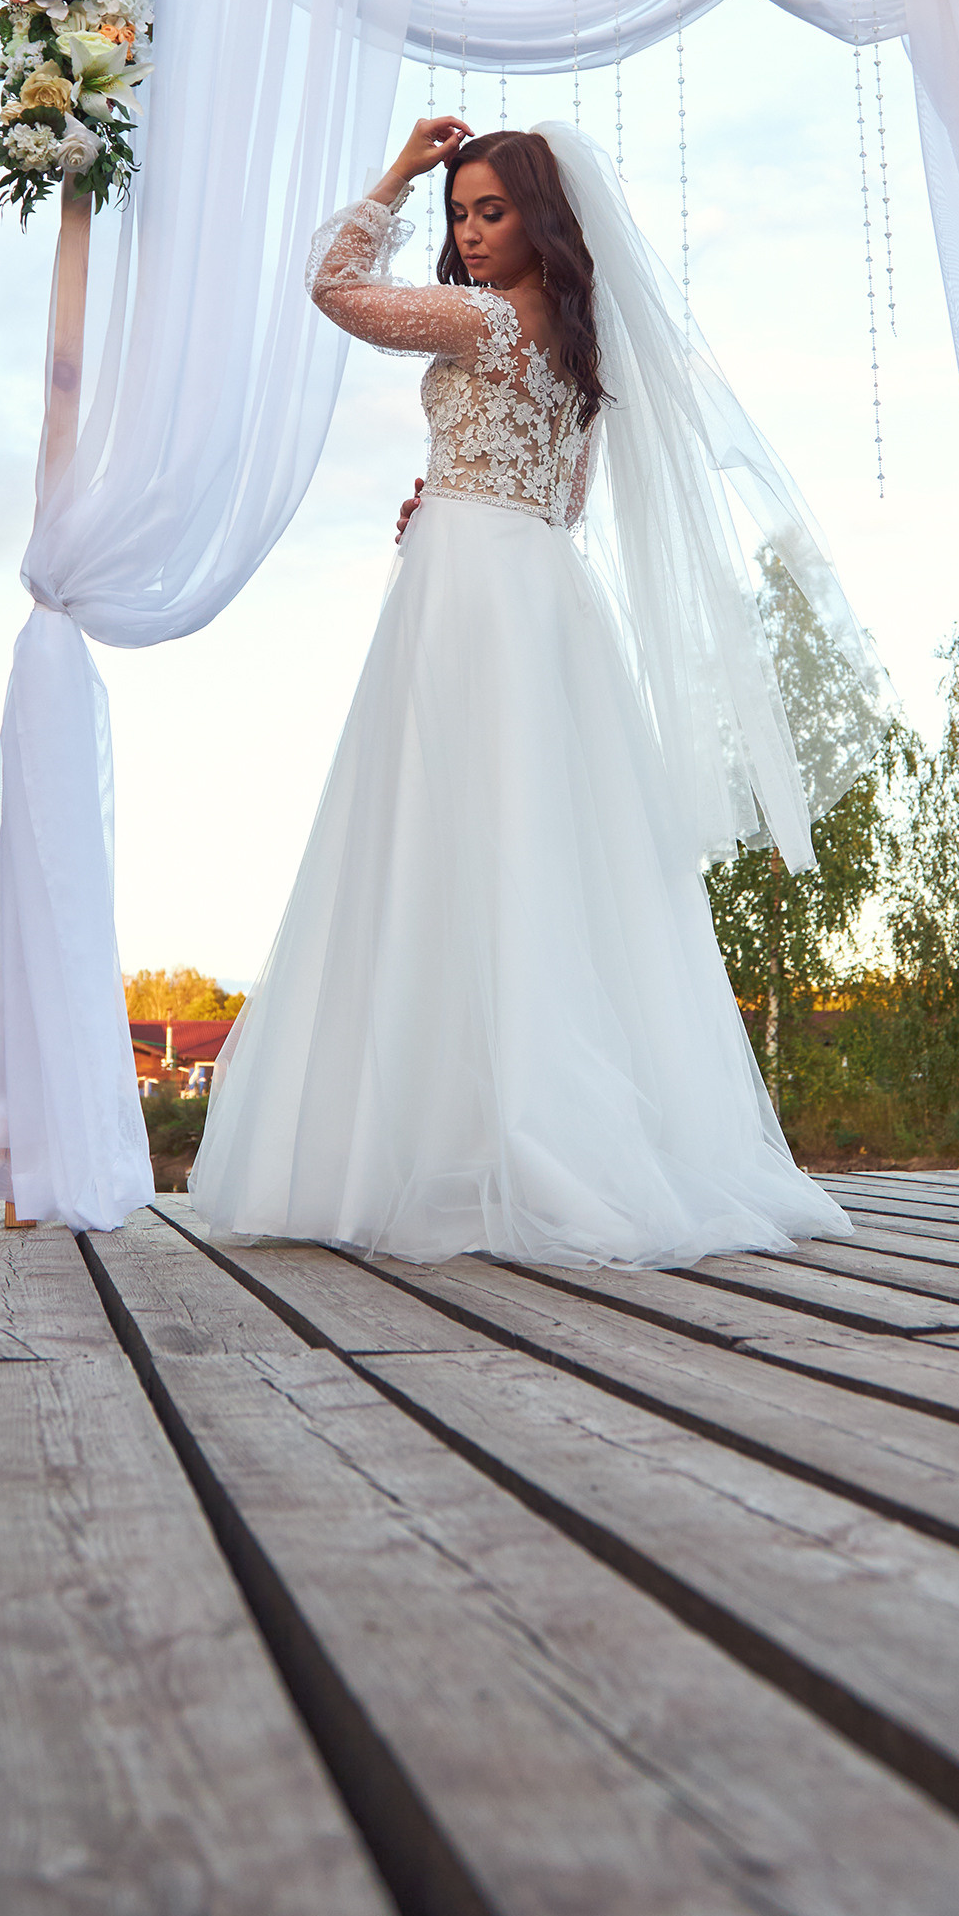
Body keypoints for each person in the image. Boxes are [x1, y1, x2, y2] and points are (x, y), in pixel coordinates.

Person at [189, 113, 880, 1267]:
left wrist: (397, 175)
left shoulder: (478, 320)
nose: (465, 230)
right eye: (458, 211)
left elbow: (332, 286)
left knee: (449, 840)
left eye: (487, 209)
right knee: (533, 855)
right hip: (533, 589)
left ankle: (463, 1141)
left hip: (470, 597)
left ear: (541, 218)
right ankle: (503, 1133)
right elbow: (558, 506)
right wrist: (453, 499)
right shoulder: (574, 340)